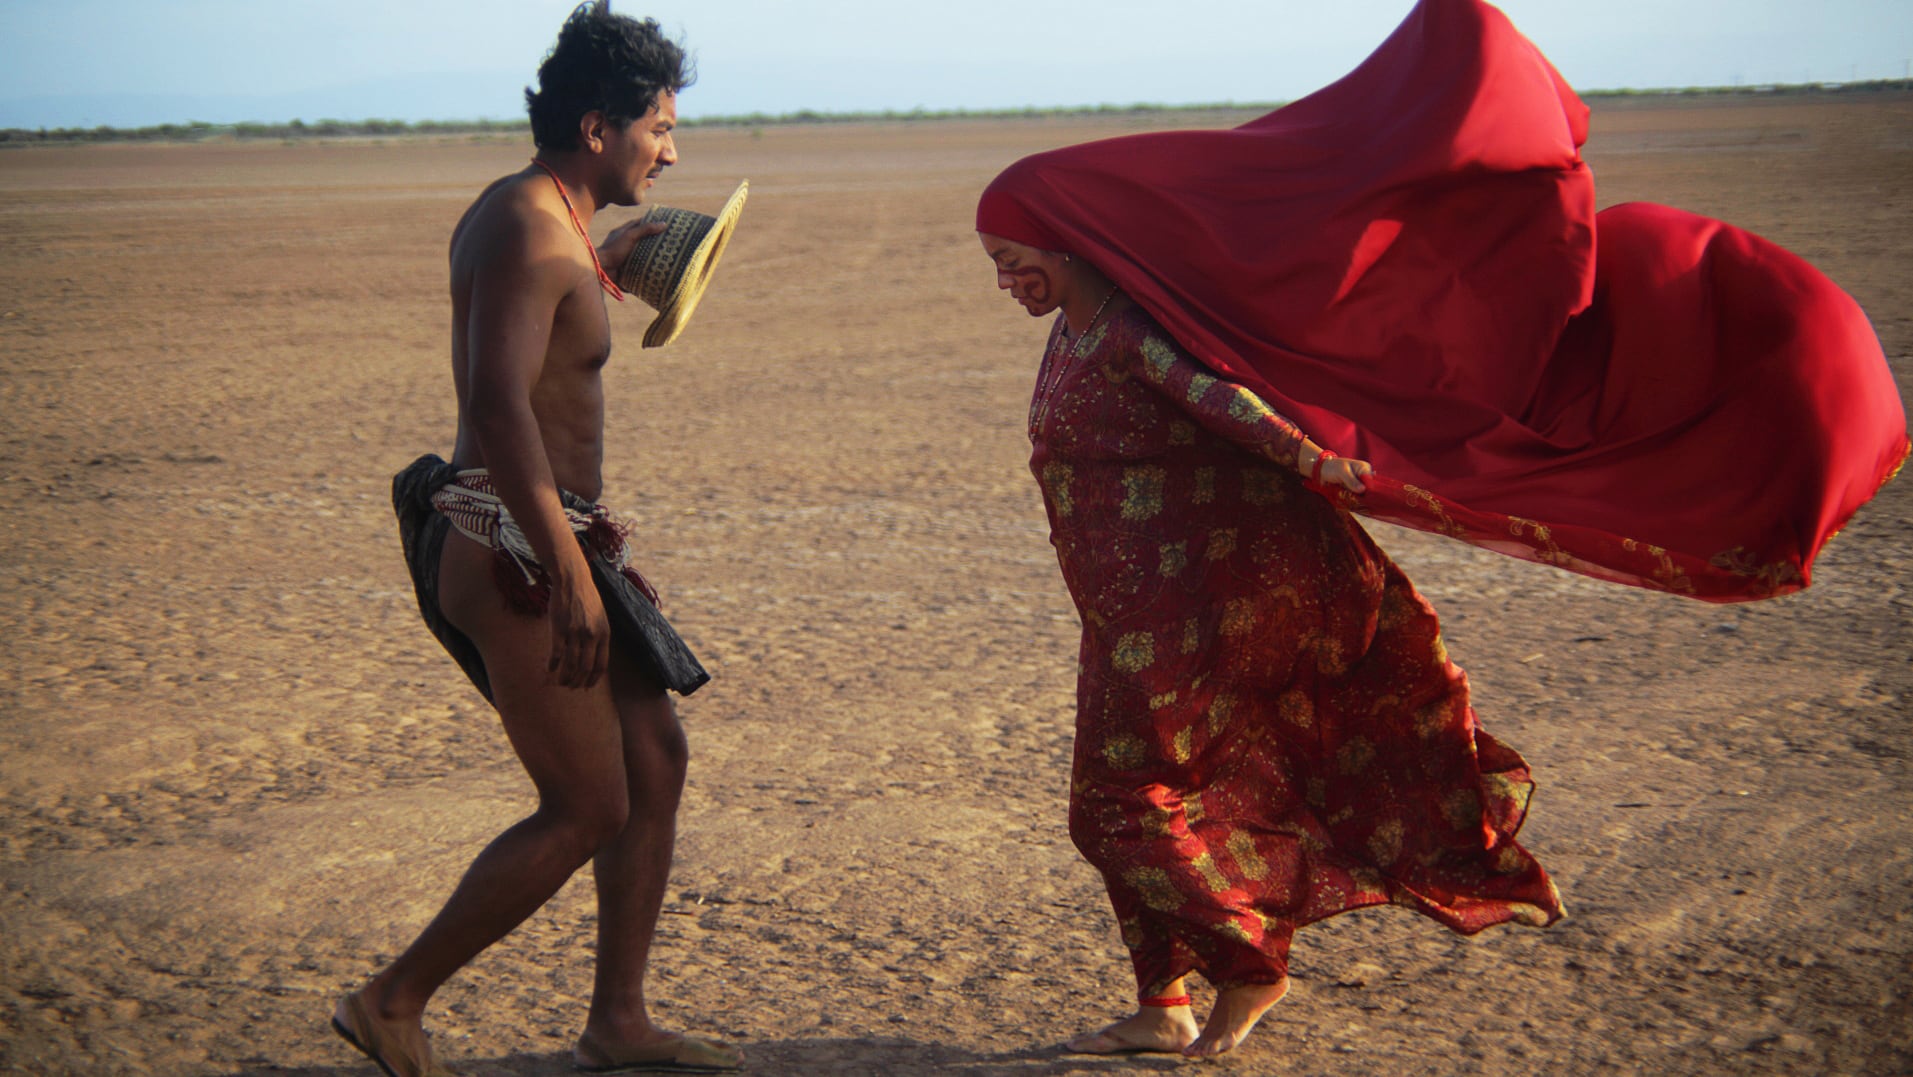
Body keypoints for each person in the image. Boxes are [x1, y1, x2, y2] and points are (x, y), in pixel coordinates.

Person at [976, 0, 1903, 1061]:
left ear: (1070, 243)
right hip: (1130, 614)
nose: (1006, 282)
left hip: (1215, 604)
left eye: (1015, 259)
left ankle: (1245, 974)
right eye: (996, 265)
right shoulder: (1076, 328)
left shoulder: (1141, 334)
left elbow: (1240, 413)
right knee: (1155, 795)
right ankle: (1165, 1003)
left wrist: (1355, 471)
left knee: (1119, 804)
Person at [331, 4, 742, 1075]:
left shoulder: (544, 222)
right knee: (586, 803)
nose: (671, 148)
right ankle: (391, 998)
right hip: (515, 546)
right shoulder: (523, 224)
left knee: (653, 761)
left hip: (550, 537)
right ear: (598, 124)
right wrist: (564, 570)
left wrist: (599, 267)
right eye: (660, 127)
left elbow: (542, 332)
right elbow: (498, 402)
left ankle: (619, 1021)